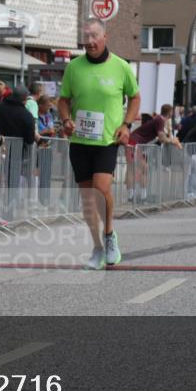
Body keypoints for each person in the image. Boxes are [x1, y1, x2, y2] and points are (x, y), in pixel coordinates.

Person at [58, 18, 139, 270]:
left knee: (101, 189)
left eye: (94, 36)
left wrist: (126, 125)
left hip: (107, 140)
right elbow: (63, 100)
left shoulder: (121, 66)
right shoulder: (74, 67)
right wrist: (66, 120)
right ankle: (97, 247)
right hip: (80, 140)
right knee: (87, 199)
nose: (90, 42)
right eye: (86, 37)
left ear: (105, 37)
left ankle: (109, 235)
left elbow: (135, 97)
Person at [126, 104, 181, 202]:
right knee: (140, 168)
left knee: (138, 169)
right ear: (170, 113)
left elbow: (160, 137)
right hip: (134, 143)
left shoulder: (159, 119)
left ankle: (138, 195)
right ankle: (136, 196)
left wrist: (168, 137)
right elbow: (162, 138)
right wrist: (173, 141)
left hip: (134, 142)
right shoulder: (160, 120)